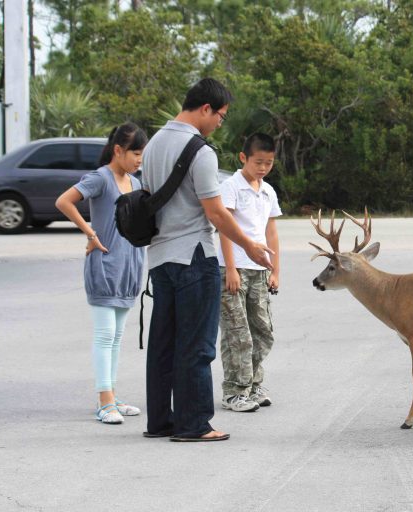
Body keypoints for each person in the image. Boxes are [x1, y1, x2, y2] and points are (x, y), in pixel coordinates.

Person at [140, 78, 274, 442]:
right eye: (221, 116)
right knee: (197, 345)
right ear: (205, 109)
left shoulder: (152, 145)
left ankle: (160, 422)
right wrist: (251, 245)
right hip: (194, 256)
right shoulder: (201, 151)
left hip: (159, 257)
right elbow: (215, 213)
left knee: (164, 344)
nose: (220, 123)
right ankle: (194, 424)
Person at [55, 122, 147, 425]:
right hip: (105, 267)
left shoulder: (134, 183)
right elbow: (63, 201)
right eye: (135, 153)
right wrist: (89, 232)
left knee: (117, 336)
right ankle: (104, 400)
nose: (139, 159)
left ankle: (112, 396)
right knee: (105, 335)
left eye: (142, 154)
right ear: (118, 150)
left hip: (129, 268)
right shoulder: (100, 179)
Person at [218, 133, 281, 413]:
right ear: (243, 158)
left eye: (268, 163)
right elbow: (224, 228)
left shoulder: (268, 191)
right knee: (238, 334)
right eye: (258, 162)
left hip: (260, 270)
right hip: (234, 268)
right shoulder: (230, 187)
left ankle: (254, 384)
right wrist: (230, 268)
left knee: (263, 331)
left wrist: (275, 270)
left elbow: (271, 232)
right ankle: (234, 391)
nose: (263, 168)